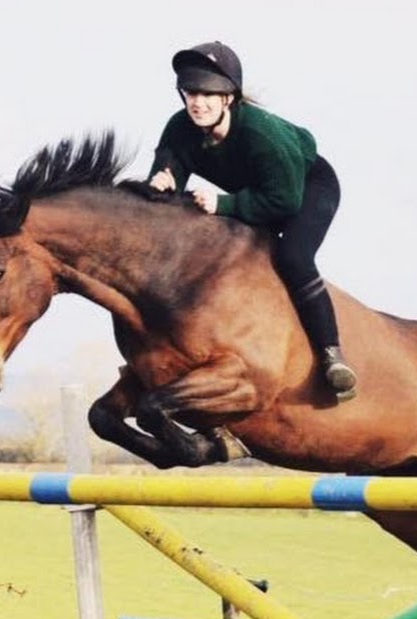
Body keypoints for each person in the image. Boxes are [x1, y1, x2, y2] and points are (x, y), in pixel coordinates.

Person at [148, 41, 358, 401]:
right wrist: (162, 182)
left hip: (305, 188)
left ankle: (331, 355)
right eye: (191, 93)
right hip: (257, 192)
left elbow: (284, 202)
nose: (197, 103)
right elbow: (170, 173)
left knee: (293, 256)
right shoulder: (180, 127)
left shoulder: (262, 134)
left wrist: (225, 204)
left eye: (208, 94)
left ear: (228, 98)